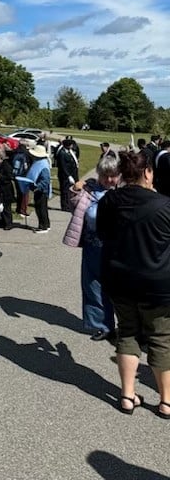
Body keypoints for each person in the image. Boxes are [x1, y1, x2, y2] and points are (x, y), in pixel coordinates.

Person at [97, 150, 170, 416]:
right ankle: (166, 401)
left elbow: (102, 234)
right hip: (157, 283)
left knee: (127, 332)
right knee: (161, 338)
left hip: (120, 279)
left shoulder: (109, 201)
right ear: (148, 172)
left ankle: (127, 395)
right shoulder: (164, 205)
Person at [63, 155, 120, 341]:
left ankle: (129, 327)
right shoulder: (90, 189)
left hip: (117, 248)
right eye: (105, 175)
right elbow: (74, 206)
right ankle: (104, 325)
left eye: (113, 175)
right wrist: (74, 190)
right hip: (93, 246)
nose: (109, 180)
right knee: (93, 286)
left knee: (119, 289)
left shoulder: (124, 192)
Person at [26, 144, 52, 233]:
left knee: (41, 208)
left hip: (41, 190)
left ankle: (43, 226)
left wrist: (38, 187)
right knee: (42, 208)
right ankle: (46, 225)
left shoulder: (43, 165)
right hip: (40, 189)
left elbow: (45, 179)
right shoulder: (41, 163)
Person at [0, 147, 15, 230]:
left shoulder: (6, 165)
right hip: (1, 188)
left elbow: (9, 177)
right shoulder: (0, 164)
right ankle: (1, 221)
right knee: (1, 205)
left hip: (6, 189)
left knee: (6, 207)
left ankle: (8, 223)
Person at [57, 139, 79, 213]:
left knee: (69, 191)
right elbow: (63, 166)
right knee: (64, 191)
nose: (72, 146)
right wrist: (68, 176)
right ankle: (65, 206)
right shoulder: (62, 153)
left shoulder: (69, 152)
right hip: (65, 176)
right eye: (71, 144)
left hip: (71, 174)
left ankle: (68, 205)